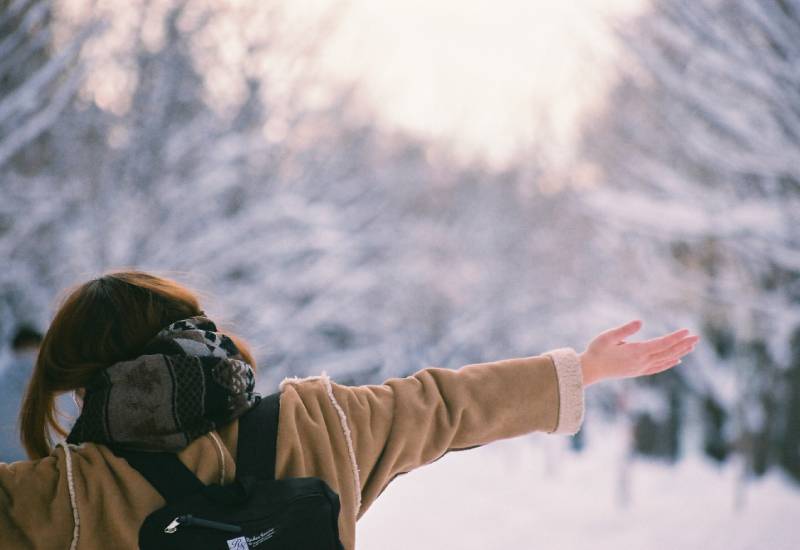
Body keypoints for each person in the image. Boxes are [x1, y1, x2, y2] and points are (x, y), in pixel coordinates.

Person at [0, 270, 700, 549]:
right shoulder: (316, 425)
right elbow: (448, 404)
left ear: (83, 382)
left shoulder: (60, 497)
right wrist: (582, 370)